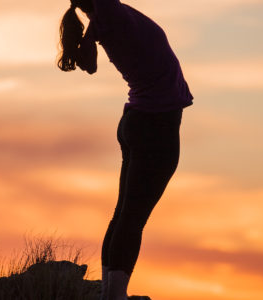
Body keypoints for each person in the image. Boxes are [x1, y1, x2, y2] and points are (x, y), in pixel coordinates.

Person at [57, 0, 193, 299]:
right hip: (155, 126)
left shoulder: (102, 21)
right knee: (132, 218)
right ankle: (114, 296)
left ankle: (110, 293)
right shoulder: (109, 12)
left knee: (124, 215)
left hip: (140, 121)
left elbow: (90, 63)